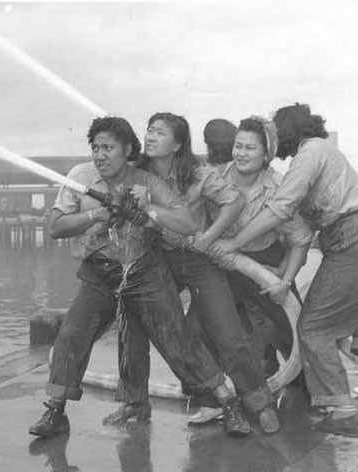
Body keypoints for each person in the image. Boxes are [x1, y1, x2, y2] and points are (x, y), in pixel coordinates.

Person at [212, 103, 358, 437]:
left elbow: (280, 208)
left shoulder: (310, 152)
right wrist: (285, 268)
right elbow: (304, 227)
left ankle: (341, 411)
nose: (273, 140)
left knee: (315, 327)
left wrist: (234, 244)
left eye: (276, 133)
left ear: (290, 131)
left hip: (355, 238)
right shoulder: (325, 154)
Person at [28, 116, 248, 438]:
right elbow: (55, 228)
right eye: (96, 148)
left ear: (127, 150)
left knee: (178, 338)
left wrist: (149, 210)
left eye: (109, 148)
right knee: (71, 335)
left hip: (143, 271)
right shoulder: (80, 176)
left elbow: (186, 222)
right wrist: (96, 214)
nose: (100, 155)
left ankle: (229, 405)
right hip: (99, 272)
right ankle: (56, 412)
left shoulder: (148, 182)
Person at [106, 112, 280, 434]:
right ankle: (140, 401)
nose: (150, 136)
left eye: (159, 132)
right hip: (157, 257)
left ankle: (260, 403)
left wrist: (209, 237)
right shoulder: (138, 174)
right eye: (149, 130)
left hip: (198, 260)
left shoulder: (199, 174)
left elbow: (235, 201)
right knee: (133, 321)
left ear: (178, 144)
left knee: (226, 331)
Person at [188, 116, 313, 425]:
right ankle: (210, 401)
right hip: (221, 264)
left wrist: (285, 280)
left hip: (266, 262)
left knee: (294, 334)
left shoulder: (280, 187)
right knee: (195, 328)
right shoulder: (214, 177)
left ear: (266, 153)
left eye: (250, 148)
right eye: (238, 146)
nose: (242, 154)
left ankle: (310, 392)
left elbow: (301, 238)